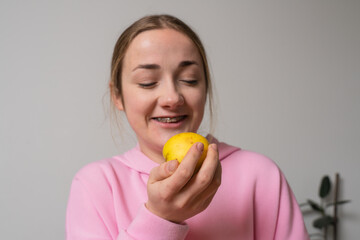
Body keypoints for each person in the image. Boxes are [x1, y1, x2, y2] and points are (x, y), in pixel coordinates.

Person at [66, 14, 309, 240]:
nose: (172, 98)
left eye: (189, 80)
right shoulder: (95, 185)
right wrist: (160, 218)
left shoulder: (261, 174)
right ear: (116, 95)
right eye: (148, 83)